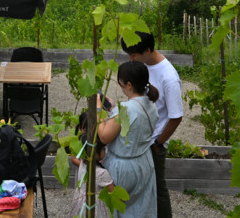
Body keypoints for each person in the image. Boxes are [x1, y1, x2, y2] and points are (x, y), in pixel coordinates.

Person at [122, 31, 184, 218]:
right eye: (128, 55)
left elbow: (176, 117)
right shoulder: (144, 65)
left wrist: (158, 143)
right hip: (138, 139)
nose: (131, 60)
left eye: (134, 55)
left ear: (148, 50)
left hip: (153, 144)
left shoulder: (169, 77)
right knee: (141, 188)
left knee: (158, 189)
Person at [96, 60, 158, 218]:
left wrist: (98, 109)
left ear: (129, 85)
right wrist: (111, 110)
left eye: (121, 83)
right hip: (144, 163)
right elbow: (130, 121)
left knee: (117, 210)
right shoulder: (151, 104)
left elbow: (104, 136)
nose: (120, 86)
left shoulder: (125, 109)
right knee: (140, 209)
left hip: (124, 167)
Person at [70, 137, 116, 218]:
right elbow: (114, 192)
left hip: (81, 203)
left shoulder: (82, 164)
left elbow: (73, 158)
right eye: (102, 149)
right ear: (95, 153)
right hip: (95, 206)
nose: (104, 151)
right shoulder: (102, 173)